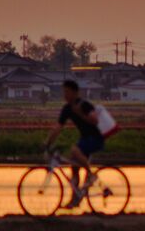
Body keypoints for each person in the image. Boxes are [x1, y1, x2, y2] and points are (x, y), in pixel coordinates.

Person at [44, 80, 103, 208]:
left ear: (75, 92)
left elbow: (95, 120)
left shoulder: (84, 105)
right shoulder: (67, 109)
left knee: (74, 150)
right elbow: (58, 127)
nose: (65, 95)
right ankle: (75, 199)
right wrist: (48, 142)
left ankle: (91, 175)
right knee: (74, 167)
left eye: (67, 92)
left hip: (96, 138)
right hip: (85, 139)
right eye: (64, 92)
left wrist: (80, 113)